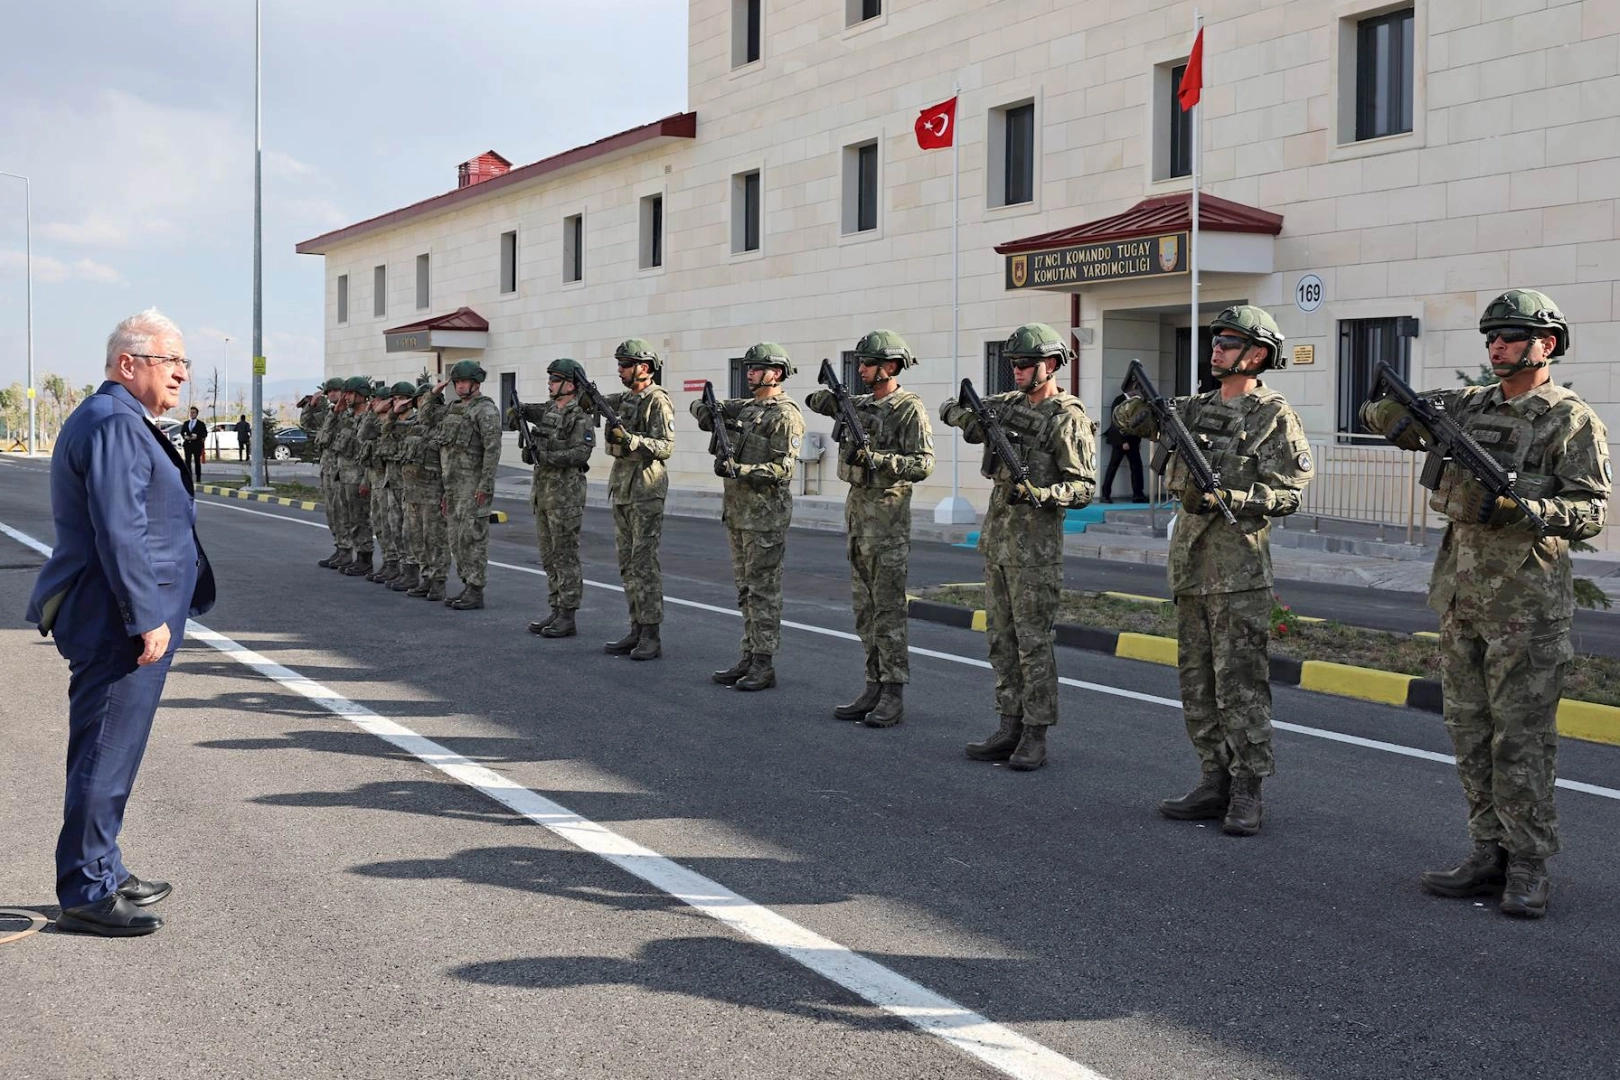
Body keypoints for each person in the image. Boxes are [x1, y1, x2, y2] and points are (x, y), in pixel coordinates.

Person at [1360, 289, 1610, 917]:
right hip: (1461, 595)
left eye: (1510, 336)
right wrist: (1391, 416)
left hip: (1526, 604)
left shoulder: (1570, 419)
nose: (1497, 346)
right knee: (1469, 732)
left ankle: (1528, 865)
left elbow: (1590, 512)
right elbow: (1383, 410)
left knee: (1520, 740)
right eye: (1491, 337)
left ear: (1545, 345)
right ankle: (1486, 852)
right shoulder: (1469, 406)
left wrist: (1518, 508)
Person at [24, 308, 216, 936]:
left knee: (114, 749)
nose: (182, 373)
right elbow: (120, 528)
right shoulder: (114, 421)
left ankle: (103, 864)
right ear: (128, 364)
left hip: (120, 614)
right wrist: (145, 616)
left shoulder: (119, 416)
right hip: (117, 620)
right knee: (106, 751)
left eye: (184, 361)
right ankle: (87, 889)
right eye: (171, 361)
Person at [1116, 306, 1313, 833]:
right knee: (1196, 683)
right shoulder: (1193, 408)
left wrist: (1235, 497)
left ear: (1257, 354)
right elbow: (1130, 419)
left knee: (1240, 685)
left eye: (1228, 343)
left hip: (1238, 572)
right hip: (1190, 566)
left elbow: (1289, 494)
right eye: (1216, 342)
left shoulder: (1274, 416)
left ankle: (1248, 789)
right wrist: (1138, 406)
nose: (1216, 350)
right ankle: (1212, 778)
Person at [940, 323, 1095, 771]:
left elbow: (1083, 487)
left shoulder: (1067, 418)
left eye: (1026, 364)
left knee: (1033, 644)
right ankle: (1008, 723)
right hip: (999, 543)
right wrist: (971, 419)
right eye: (1014, 364)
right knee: (1001, 641)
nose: (1018, 371)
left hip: (1035, 551)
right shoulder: (1005, 406)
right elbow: (952, 408)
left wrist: (1043, 494)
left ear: (1051, 365)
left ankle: (1035, 733)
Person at [804, 330, 935, 727]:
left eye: (868, 363)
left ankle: (893, 692)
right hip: (858, 516)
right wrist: (837, 398)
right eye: (860, 363)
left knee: (888, 609)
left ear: (890, 366)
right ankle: (873, 684)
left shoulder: (909, 409)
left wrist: (879, 459)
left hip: (887, 519)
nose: (861, 369)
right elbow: (814, 400)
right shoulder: (858, 404)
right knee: (865, 610)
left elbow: (923, 463)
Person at [691, 342, 806, 691]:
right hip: (738, 514)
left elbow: (783, 469)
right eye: (749, 368)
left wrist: (739, 470)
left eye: (757, 368)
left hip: (765, 518)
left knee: (763, 591)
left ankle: (764, 662)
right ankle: (750, 653)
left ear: (777, 373)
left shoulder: (784, 415)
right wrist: (705, 410)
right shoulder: (745, 408)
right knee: (745, 590)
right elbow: (701, 405)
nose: (750, 373)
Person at [597, 339, 675, 661]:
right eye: (619, 364)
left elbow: (666, 445)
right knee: (627, 565)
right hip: (622, 489)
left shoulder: (657, 400)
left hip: (645, 490)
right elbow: (593, 403)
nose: (620, 370)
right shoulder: (626, 398)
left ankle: (651, 634)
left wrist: (631, 440)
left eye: (625, 365)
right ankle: (636, 628)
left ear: (643, 367)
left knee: (644, 564)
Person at [512, 358, 596, 637]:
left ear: (570, 385)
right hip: (543, 494)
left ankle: (568, 615)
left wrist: (545, 455)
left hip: (565, 497)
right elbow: (527, 419)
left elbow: (580, 454)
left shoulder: (579, 416)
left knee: (565, 556)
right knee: (548, 557)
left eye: (555, 379)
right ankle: (556, 608)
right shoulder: (549, 411)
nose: (550, 384)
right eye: (550, 379)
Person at [436, 359, 502, 610]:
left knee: (473, 538)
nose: (461, 386)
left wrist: (485, 485)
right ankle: (466, 584)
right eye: (458, 382)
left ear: (476, 383)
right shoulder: (454, 409)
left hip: (473, 487)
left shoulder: (485, 410)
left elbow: (492, 450)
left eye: (465, 382)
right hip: (453, 487)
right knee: (456, 540)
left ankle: (476, 589)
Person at [397, 378, 451, 600]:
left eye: (424, 400)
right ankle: (426, 576)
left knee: (434, 539)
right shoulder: (413, 427)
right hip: (412, 491)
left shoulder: (441, 426)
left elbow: (447, 463)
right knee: (416, 538)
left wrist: (446, 492)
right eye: (418, 400)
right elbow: (386, 430)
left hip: (432, 491)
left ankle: (438, 581)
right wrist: (393, 413)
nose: (420, 404)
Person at [334, 377, 375, 577]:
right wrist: (336, 411)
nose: (346, 397)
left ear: (361, 394)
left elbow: (370, 452)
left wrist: (366, 479)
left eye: (350, 393)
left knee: (360, 519)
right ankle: (356, 555)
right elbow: (328, 433)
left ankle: (365, 558)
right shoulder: (346, 416)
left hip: (358, 476)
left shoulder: (369, 418)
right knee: (348, 518)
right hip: (344, 475)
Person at [314, 378, 351, 569]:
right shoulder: (330, 414)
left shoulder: (349, 415)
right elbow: (315, 431)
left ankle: (347, 550)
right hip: (328, 469)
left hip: (342, 471)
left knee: (342, 512)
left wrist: (337, 413)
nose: (333, 394)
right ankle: (339, 547)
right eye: (329, 392)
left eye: (336, 390)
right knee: (332, 512)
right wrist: (311, 406)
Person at [1099, 382, 1147, 503]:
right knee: (1113, 466)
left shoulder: (1136, 402)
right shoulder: (1119, 401)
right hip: (1119, 440)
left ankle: (1138, 494)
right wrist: (1123, 441)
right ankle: (1105, 494)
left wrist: (1138, 440)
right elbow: (1117, 422)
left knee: (1136, 467)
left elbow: (1137, 422)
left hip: (1133, 439)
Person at [180, 406, 207, 483]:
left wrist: (197, 436)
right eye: (191, 412)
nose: (192, 414)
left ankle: (198, 478)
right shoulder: (186, 423)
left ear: (197, 414)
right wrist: (185, 436)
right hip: (188, 445)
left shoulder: (200, 424)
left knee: (197, 461)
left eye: (193, 412)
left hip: (197, 445)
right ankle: (189, 477)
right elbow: (182, 432)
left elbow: (204, 433)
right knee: (187, 462)